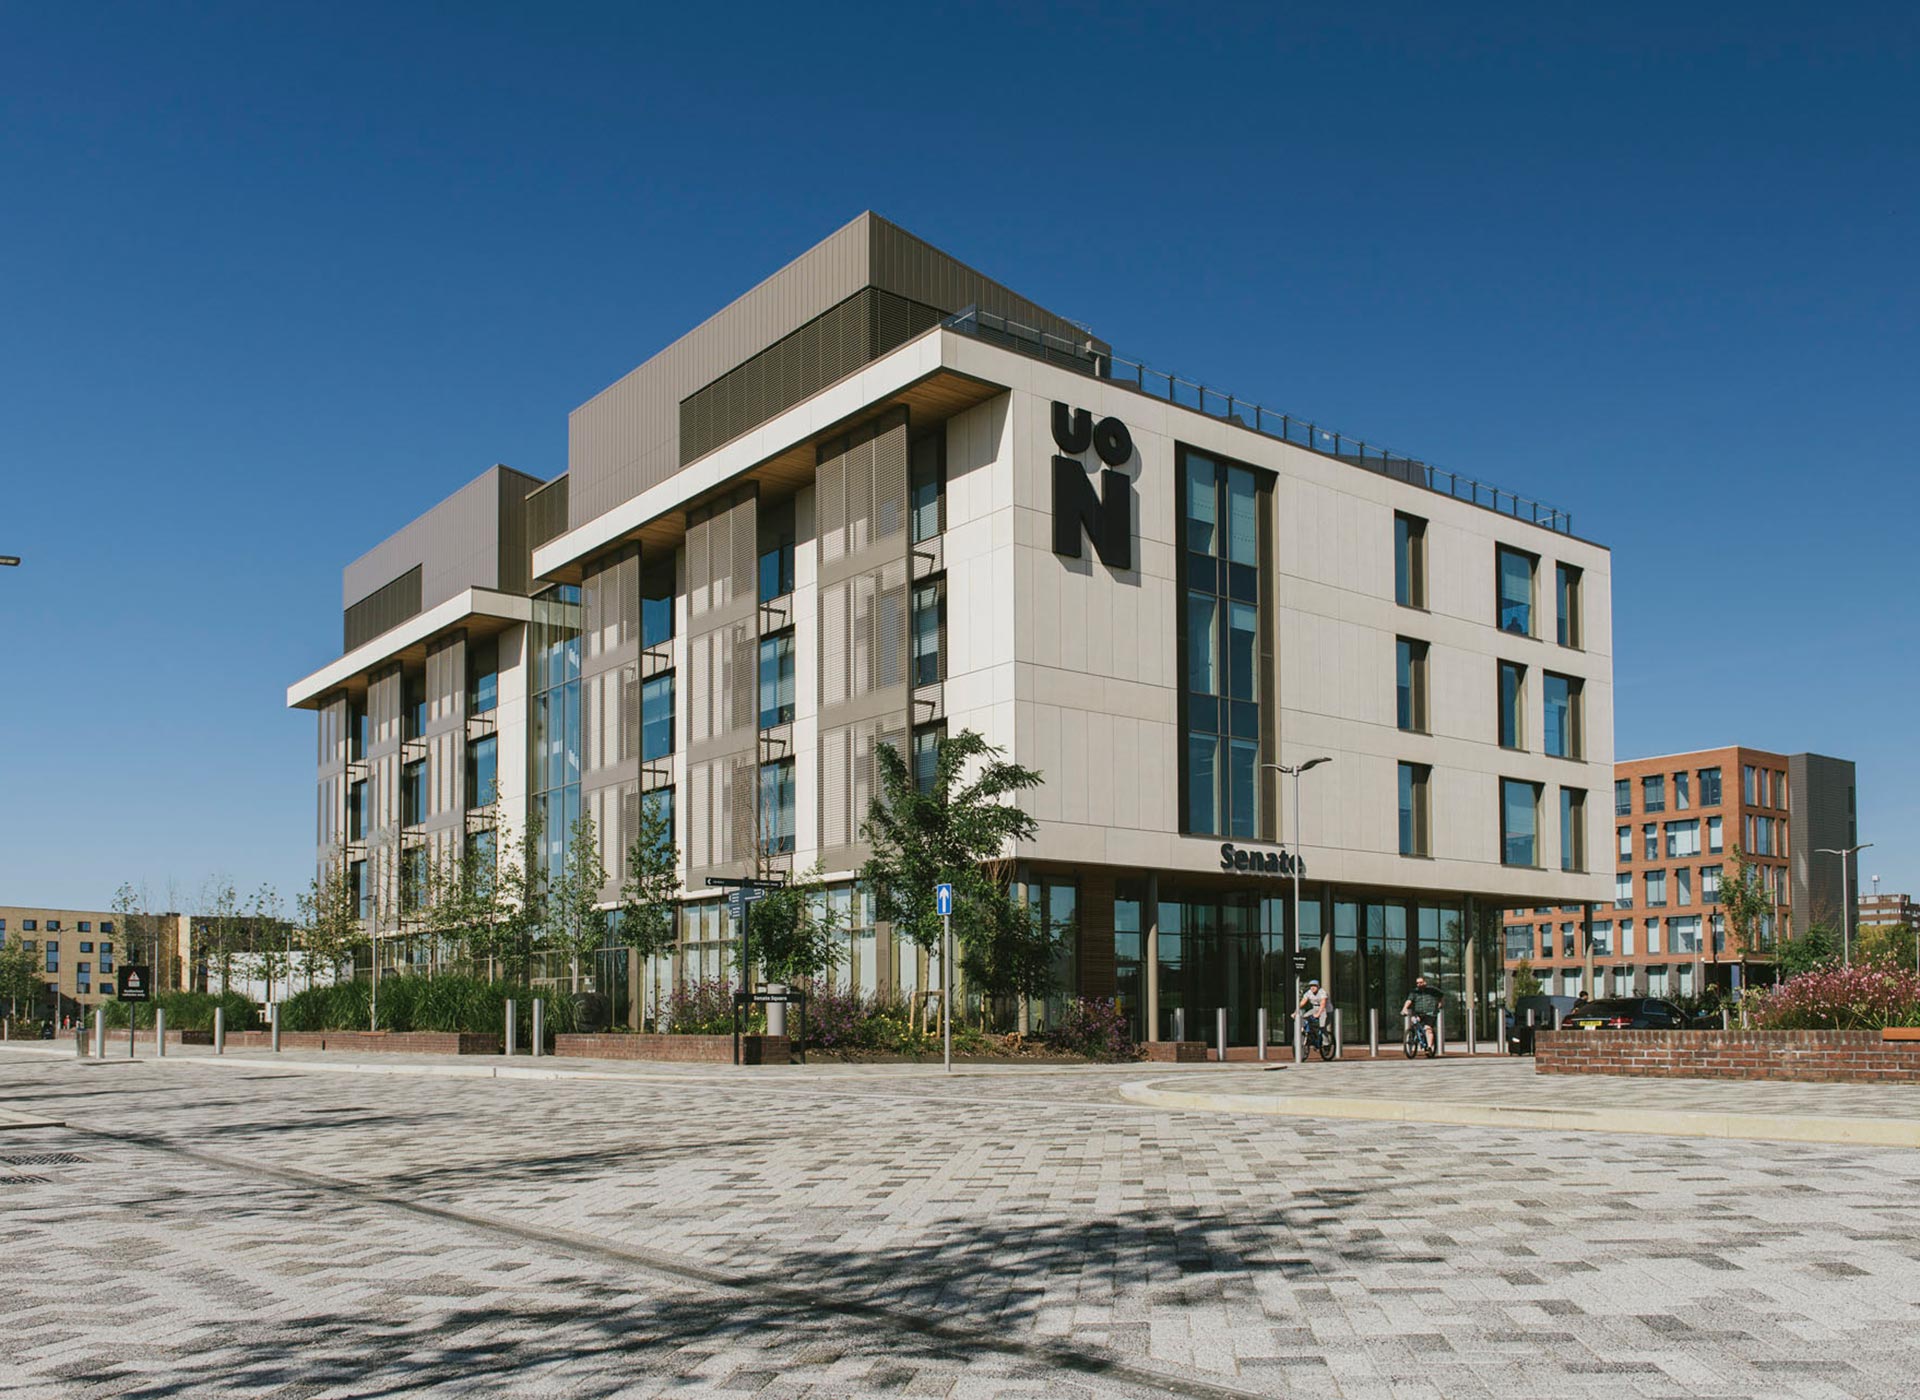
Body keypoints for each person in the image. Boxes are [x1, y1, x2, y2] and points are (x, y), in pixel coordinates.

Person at [1402, 975, 1444, 1054]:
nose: (1419, 984)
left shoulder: (1432, 990)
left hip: (1430, 1012)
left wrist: (1440, 1003)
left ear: (1425, 982)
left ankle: (1429, 1047)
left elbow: (1441, 995)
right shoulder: (1414, 992)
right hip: (1419, 1012)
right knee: (1414, 1021)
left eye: (1421, 982)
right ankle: (1415, 1036)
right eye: (1417, 983)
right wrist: (1404, 1008)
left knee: (1428, 1029)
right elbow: (1409, 1000)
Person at [1298, 978, 1330, 1049]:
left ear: (1318, 986)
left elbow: (1323, 1004)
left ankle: (1326, 1043)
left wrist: (1318, 1014)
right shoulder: (1308, 993)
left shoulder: (1322, 992)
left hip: (1325, 1009)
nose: (1312, 987)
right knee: (1304, 1016)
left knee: (1322, 1026)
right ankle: (1307, 1032)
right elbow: (1303, 1002)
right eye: (1311, 986)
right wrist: (1295, 1011)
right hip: (1315, 1008)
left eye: (1314, 986)